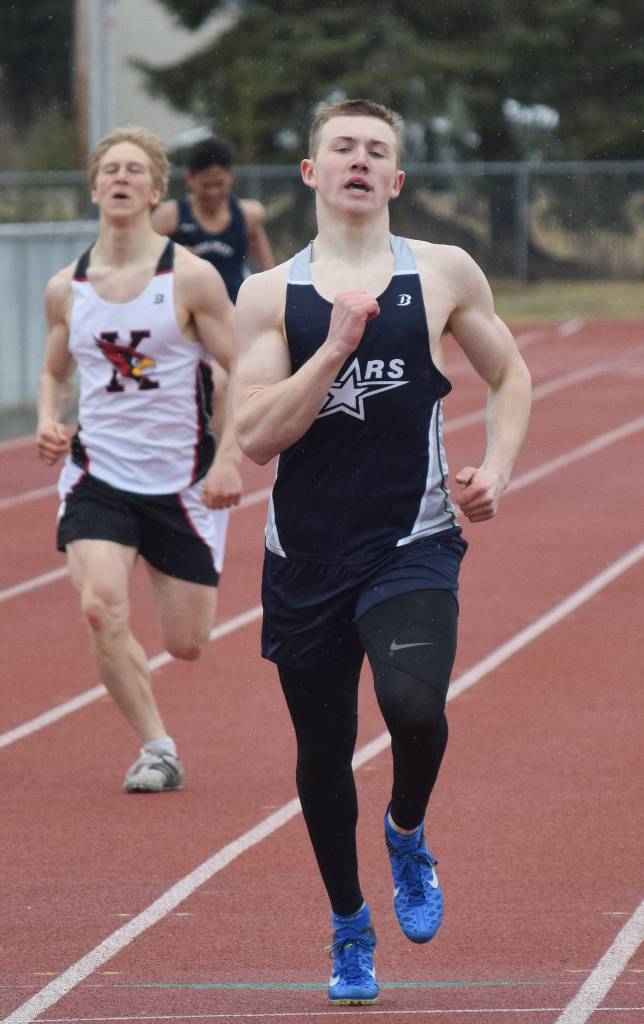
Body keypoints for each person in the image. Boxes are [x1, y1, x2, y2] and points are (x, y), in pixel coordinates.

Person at [233, 99, 532, 1004]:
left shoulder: (441, 271)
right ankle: (348, 925)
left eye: (377, 152)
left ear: (396, 180)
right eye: (342, 148)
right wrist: (334, 348)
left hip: (415, 539)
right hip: (306, 556)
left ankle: (407, 829)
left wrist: (500, 471)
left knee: (413, 707)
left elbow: (510, 374)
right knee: (322, 753)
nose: (359, 161)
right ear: (311, 173)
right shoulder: (267, 295)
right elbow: (254, 438)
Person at [37, 125, 242, 794]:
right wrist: (48, 420)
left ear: (155, 191)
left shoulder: (191, 277)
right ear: (95, 187)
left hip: (182, 483)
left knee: (187, 642)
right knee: (100, 608)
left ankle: (162, 563)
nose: (121, 179)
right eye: (110, 170)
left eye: (134, 171)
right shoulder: (67, 286)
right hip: (99, 477)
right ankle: (157, 747)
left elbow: (240, 368)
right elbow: (54, 370)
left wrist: (228, 458)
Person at [152, 136, 275, 303]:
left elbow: (269, 271)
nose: (213, 192)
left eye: (219, 184)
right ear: (190, 179)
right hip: (187, 312)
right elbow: (142, 262)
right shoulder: (170, 216)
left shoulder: (247, 215)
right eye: (206, 185)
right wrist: (171, 257)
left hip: (234, 310)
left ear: (231, 176)